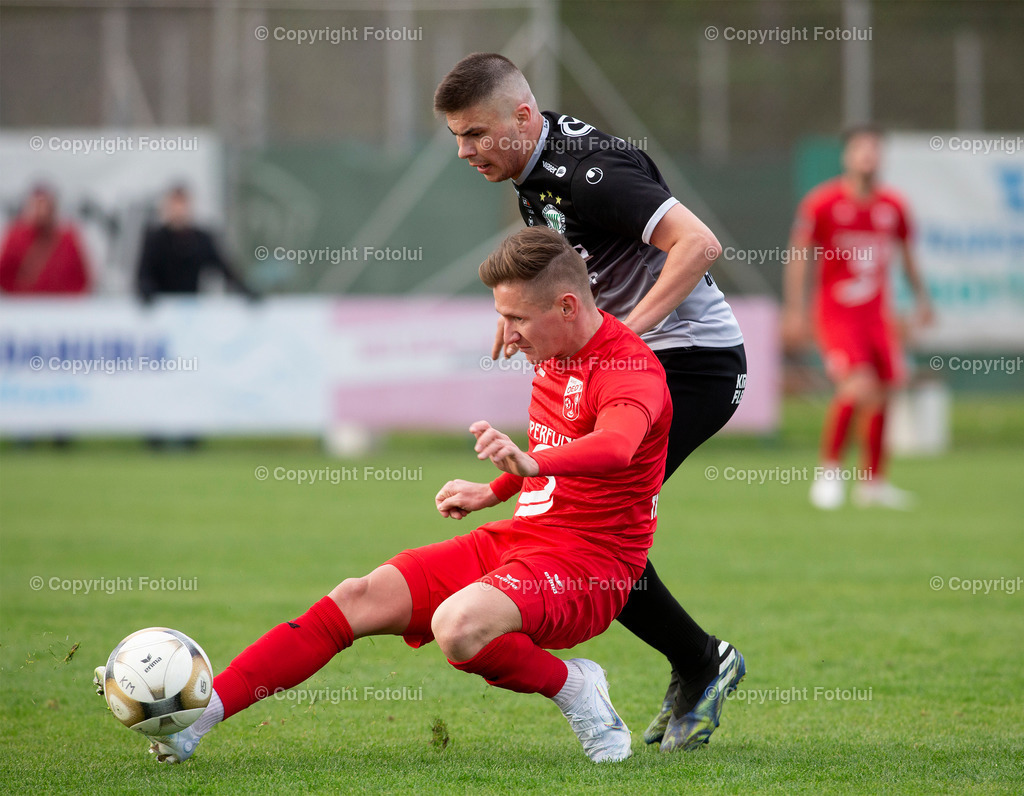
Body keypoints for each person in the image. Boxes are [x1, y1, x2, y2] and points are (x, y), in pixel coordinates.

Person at [99, 226, 690, 764]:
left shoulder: (629, 370)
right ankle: (199, 720)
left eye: (517, 319)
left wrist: (529, 461)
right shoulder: (553, 347)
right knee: (356, 597)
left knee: (458, 627)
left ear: (566, 306)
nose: (506, 335)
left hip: (592, 565)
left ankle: (575, 687)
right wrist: (495, 489)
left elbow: (614, 447)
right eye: (501, 316)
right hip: (522, 541)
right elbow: (556, 444)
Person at [433, 53, 746, 751]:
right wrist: (521, 310)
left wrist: (622, 338)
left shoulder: (591, 171)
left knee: (595, 532)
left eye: (476, 133)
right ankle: (700, 662)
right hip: (639, 365)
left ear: (522, 117)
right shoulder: (533, 170)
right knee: (586, 526)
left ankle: (702, 662)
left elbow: (698, 244)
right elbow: (564, 259)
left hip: (692, 364)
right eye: (457, 136)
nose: (464, 150)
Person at [783, 125, 933, 511]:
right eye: (860, 149)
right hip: (837, 315)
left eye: (874, 149)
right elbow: (799, 257)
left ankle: (873, 484)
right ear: (846, 156)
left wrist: (922, 300)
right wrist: (795, 310)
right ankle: (829, 473)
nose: (868, 156)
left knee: (885, 392)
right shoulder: (823, 202)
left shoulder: (892, 206)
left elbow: (907, 257)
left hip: (877, 317)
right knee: (857, 387)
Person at [136, 185, 257, 303]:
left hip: (192, 309)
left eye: (182, 206)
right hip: (162, 310)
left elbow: (225, 269)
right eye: (175, 206)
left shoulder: (202, 240)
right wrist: (147, 292)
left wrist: (245, 290)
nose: (179, 212)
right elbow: (144, 275)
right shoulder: (155, 240)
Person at [0, 184, 91, 295]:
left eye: (45, 206)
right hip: (23, 307)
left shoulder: (67, 238)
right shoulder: (15, 236)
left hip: (59, 307)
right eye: (37, 206)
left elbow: (80, 278)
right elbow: (4, 275)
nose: (42, 212)